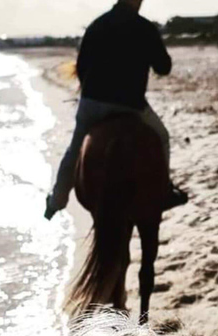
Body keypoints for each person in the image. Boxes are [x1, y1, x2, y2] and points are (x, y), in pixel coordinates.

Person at [44, 0, 188, 220]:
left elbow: (81, 67)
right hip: (129, 104)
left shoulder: (96, 25)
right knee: (162, 137)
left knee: (74, 150)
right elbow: (163, 68)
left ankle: (57, 200)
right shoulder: (144, 27)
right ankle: (165, 191)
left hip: (91, 103)